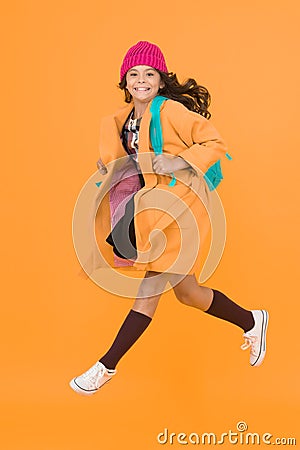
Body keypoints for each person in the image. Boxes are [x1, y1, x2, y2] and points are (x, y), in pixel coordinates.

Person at [69, 41, 269, 396]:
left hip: (180, 206)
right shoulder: (124, 121)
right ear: (125, 81)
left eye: (150, 74)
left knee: (147, 293)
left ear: (161, 81)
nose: (141, 80)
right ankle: (252, 320)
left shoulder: (170, 111)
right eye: (134, 74)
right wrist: (112, 169)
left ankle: (105, 367)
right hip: (154, 207)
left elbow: (215, 142)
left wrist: (179, 161)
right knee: (188, 294)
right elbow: (131, 165)